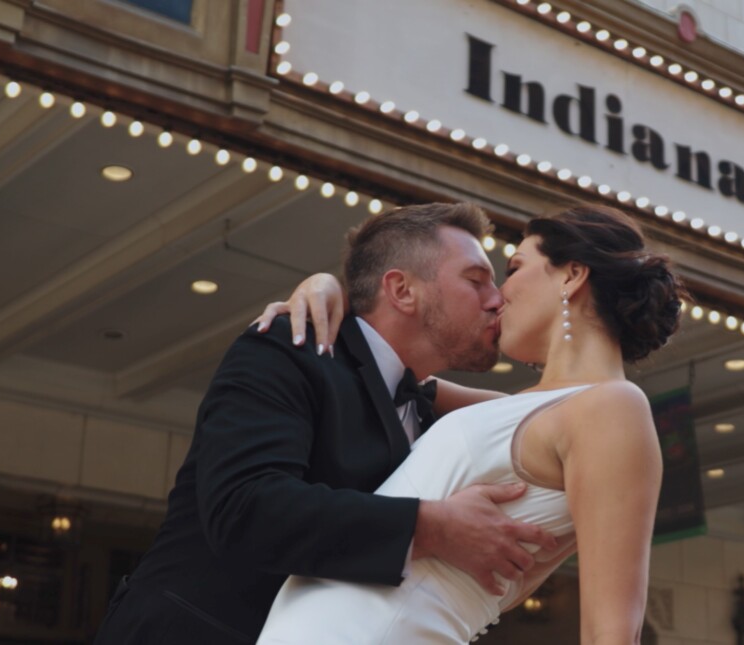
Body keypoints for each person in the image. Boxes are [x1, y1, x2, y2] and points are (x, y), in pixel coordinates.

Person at [95, 202, 558, 644]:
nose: (497, 300)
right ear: (401, 290)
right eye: (477, 280)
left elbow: (544, 419)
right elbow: (245, 507)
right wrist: (433, 526)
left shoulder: (424, 403)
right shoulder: (288, 347)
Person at [252, 204, 684, 643]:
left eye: (514, 269)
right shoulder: (517, 409)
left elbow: (611, 633)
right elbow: (379, 362)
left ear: (572, 276)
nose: (500, 295)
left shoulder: (614, 407)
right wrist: (329, 289)